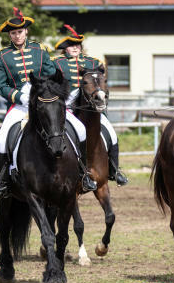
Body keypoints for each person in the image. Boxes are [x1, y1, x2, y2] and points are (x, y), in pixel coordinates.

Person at [0, 8, 97, 202]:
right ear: (10, 35)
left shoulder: (40, 51)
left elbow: (54, 74)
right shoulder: (2, 57)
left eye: (19, 32)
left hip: (46, 101)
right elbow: (1, 85)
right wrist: (17, 95)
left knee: (80, 128)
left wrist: (50, 92)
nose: (17, 35)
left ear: (26, 32)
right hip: (21, 105)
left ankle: (84, 174)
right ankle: (3, 183)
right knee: (1, 139)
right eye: (13, 33)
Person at [52, 24, 128, 186]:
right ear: (64, 48)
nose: (75, 48)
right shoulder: (56, 63)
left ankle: (114, 170)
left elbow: (100, 82)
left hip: (91, 108)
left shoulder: (93, 62)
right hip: (67, 107)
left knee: (112, 134)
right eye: (71, 45)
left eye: (77, 45)